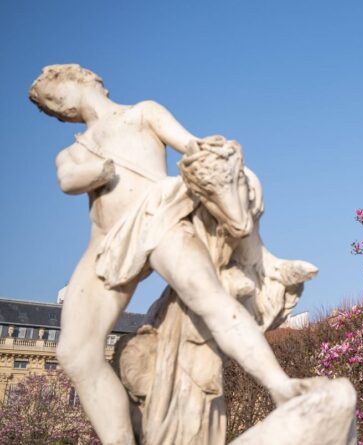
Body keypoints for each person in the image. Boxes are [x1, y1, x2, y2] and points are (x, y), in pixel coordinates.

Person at [29, 64, 305, 445]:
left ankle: (280, 386)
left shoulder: (142, 113)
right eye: (50, 107)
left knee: (208, 298)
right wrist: (99, 169)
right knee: (75, 352)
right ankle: (121, 440)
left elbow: (193, 147)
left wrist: (224, 164)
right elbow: (67, 180)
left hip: (157, 215)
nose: (57, 108)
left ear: (82, 79)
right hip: (105, 246)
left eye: (54, 94)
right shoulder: (71, 152)